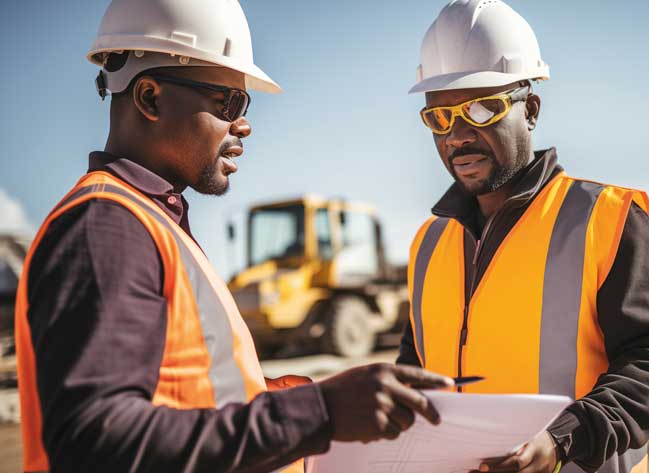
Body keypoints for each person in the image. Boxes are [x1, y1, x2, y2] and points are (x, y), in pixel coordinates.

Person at [15, 1, 452, 472]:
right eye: (228, 102)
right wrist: (320, 412)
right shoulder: (106, 228)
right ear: (149, 98)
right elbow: (93, 444)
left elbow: (202, 393)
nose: (243, 124)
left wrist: (326, 399)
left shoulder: (151, 223)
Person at [396, 1, 649, 472]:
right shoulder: (427, 245)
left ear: (530, 110)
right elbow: (415, 369)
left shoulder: (606, 218)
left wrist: (562, 441)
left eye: (480, 108)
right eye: (439, 117)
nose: (457, 135)